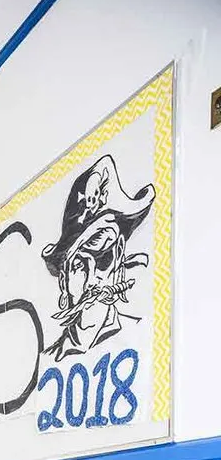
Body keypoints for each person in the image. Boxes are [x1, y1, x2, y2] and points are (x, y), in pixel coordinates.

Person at [41, 154, 155, 362]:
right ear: (63, 277)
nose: (92, 279)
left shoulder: (142, 333)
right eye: (79, 264)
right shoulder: (47, 360)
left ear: (119, 254)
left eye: (103, 259)